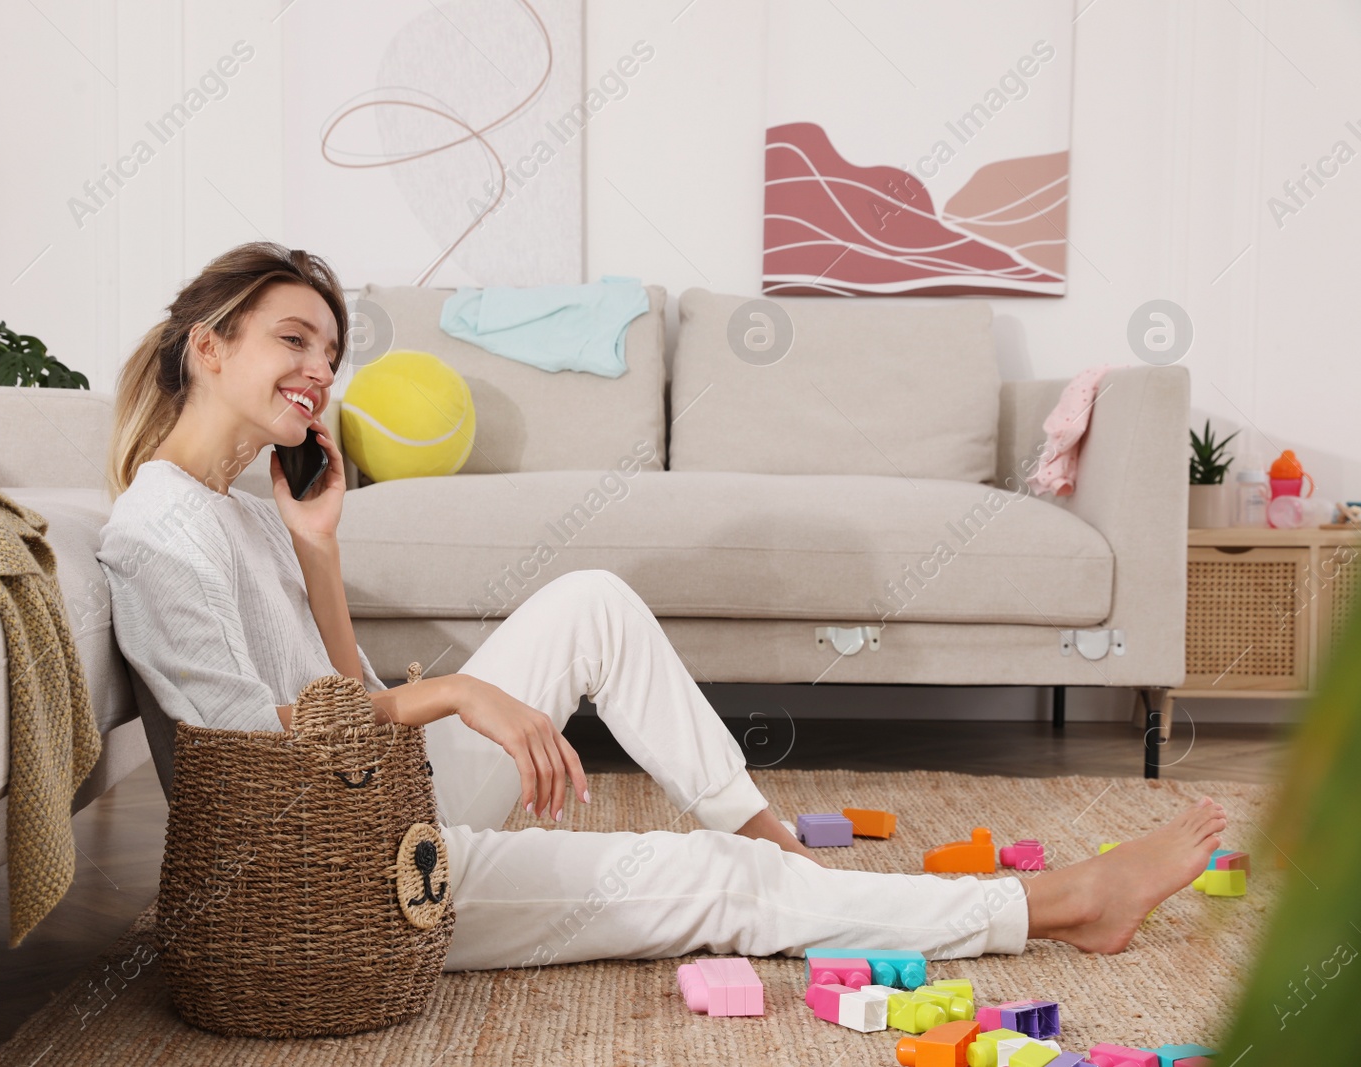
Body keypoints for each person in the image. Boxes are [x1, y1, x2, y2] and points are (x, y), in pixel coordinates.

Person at [96, 241, 1228, 974]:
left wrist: (319, 555)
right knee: (723, 896)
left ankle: (761, 830)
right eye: (294, 340)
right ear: (208, 345)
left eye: (329, 351)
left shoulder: (245, 512)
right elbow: (249, 761)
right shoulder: (158, 531)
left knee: (589, 598)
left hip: (369, 797)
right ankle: (1062, 900)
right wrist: (449, 689)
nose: (319, 371)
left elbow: (338, 701)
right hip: (340, 882)